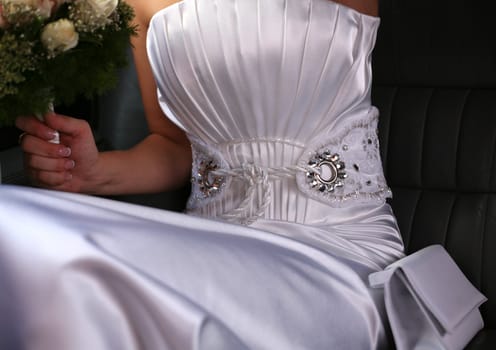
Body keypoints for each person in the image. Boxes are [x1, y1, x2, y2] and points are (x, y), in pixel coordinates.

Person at [0, 0, 486, 349]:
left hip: (335, 247)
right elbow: (174, 146)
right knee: (22, 225)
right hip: (208, 237)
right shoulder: (138, 4)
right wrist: (92, 174)